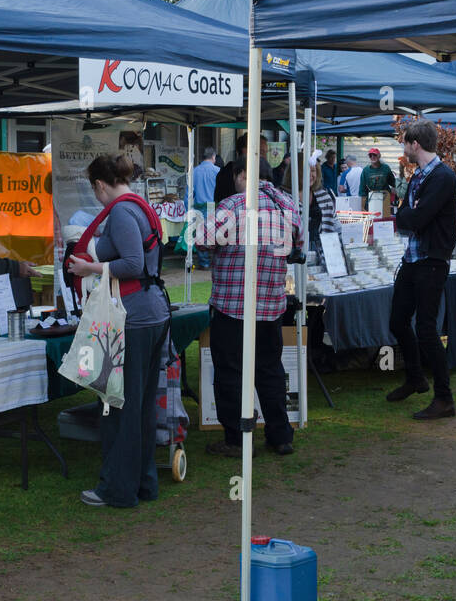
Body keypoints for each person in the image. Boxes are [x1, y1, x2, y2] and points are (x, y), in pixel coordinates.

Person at [66, 154, 172, 503]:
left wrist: (89, 268)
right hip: (149, 312)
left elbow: (132, 263)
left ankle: (117, 489)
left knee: (118, 404)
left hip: (132, 316)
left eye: (94, 189)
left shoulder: (122, 212)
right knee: (138, 406)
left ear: (99, 185)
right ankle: (143, 483)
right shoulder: (139, 205)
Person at [197, 157, 301, 457]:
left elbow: (203, 240)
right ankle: (280, 435)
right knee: (269, 370)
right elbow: (300, 245)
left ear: (243, 174)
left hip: (233, 306)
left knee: (230, 373)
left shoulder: (233, 205)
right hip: (270, 305)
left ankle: (237, 439)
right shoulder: (288, 204)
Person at [385, 120, 456, 420]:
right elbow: (408, 213)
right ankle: (416, 378)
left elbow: (415, 218)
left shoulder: (442, 177)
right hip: (413, 259)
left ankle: (444, 398)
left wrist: (402, 216)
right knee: (397, 321)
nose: (404, 150)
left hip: (431, 261)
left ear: (415, 144)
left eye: (405, 144)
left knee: (426, 328)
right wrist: (404, 215)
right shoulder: (419, 176)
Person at [214, 133, 268, 204]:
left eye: (266, 152)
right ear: (245, 150)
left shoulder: (259, 172)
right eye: (261, 152)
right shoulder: (228, 174)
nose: (265, 157)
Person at [191, 147, 220, 268]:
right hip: (213, 206)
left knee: (200, 234)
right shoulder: (218, 170)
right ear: (213, 157)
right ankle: (214, 261)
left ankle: (204, 262)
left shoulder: (194, 171)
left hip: (198, 206)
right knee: (215, 234)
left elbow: (189, 193)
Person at [307, 159, 341, 254]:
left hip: (321, 252)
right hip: (296, 259)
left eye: (313, 170)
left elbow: (335, 225)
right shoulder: (288, 198)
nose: (310, 174)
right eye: (305, 170)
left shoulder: (324, 196)